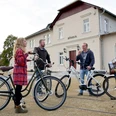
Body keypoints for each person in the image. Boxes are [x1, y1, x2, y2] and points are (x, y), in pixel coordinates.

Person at [13, 38, 30, 113]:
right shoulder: (19, 50)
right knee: (18, 88)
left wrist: (27, 57)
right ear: (21, 42)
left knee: (18, 88)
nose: (26, 42)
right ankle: (17, 106)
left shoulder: (19, 50)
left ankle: (18, 102)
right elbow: (20, 61)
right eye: (25, 41)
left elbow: (21, 59)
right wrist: (26, 55)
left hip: (19, 71)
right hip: (19, 71)